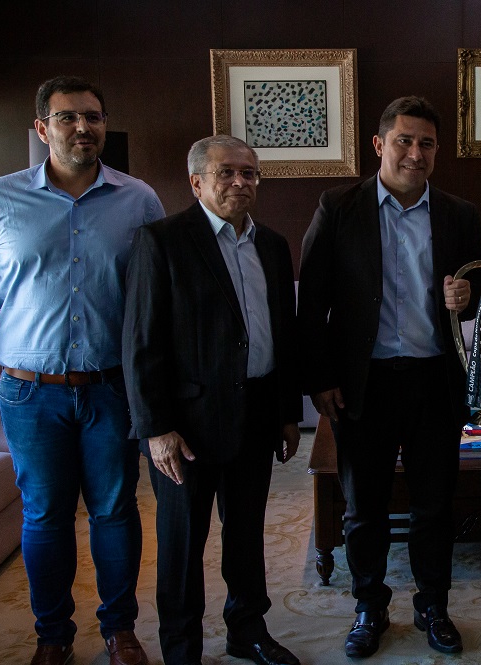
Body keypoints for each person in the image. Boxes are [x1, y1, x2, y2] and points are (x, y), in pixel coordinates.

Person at [0, 76, 164, 665]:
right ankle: (53, 636)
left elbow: (155, 297)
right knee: (45, 517)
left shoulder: (139, 200)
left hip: (112, 389)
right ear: (42, 129)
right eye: (67, 117)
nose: (82, 127)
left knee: (115, 512)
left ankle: (120, 630)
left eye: (92, 117)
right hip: (29, 394)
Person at [297, 96, 481, 659]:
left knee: (434, 505)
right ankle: (369, 605)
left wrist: (468, 297)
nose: (415, 153)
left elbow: (478, 297)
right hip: (364, 384)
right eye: (404, 141)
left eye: (427, 143)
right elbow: (313, 302)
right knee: (363, 508)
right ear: (380, 144)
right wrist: (319, 378)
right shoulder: (338, 206)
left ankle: (433, 604)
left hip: (434, 382)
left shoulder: (459, 214)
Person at [122, 135, 303, 665]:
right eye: (226, 173)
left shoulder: (272, 244)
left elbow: (283, 335)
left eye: (249, 173)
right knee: (182, 545)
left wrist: (287, 414)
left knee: (246, 537)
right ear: (196, 182)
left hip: (256, 416)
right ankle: (182, 649)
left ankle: (247, 631)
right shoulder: (161, 241)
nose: (240, 182)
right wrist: (155, 429)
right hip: (186, 429)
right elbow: (140, 343)